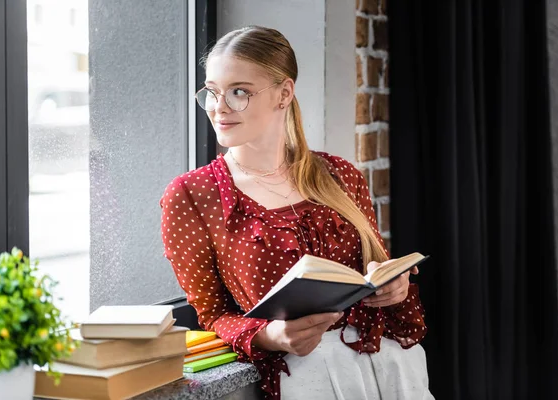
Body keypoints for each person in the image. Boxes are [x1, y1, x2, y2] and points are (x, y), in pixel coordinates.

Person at [160, 25, 433, 400]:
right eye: (212, 92)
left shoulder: (340, 175)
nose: (219, 107)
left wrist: (394, 286)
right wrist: (270, 336)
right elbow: (211, 317)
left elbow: (377, 269)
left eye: (238, 92)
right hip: (305, 381)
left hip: (392, 372)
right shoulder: (193, 195)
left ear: (284, 94)